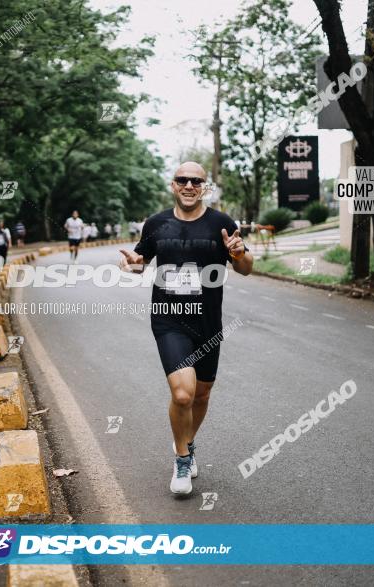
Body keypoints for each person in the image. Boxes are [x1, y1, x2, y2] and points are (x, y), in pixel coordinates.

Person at [119, 161, 252, 495]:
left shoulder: (221, 223)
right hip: (168, 319)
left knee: (202, 393)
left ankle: (187, 442)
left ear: (204, 187)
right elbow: (139, 264)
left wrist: (239, 254)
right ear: (173, 185)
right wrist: (132, 266)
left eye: (197, 181)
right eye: (183, 180)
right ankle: (181, 460)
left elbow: (247, 268)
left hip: (208, 321)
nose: (189, 185)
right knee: (183, 393)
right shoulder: (157, 223)